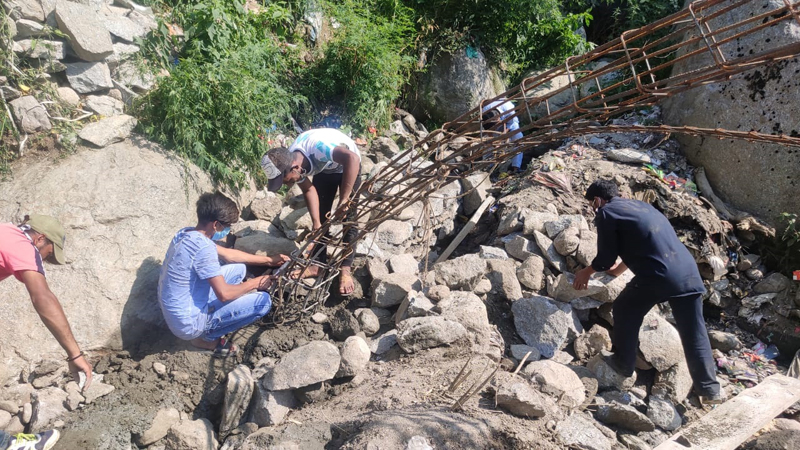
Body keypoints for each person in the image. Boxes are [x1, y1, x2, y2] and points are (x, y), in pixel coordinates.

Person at [572, 179, 725, 404]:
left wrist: (586, 272)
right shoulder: (643, 207)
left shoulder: (606, 212)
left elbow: (604, 259)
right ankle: (710, 390)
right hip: (688, 272)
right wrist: (621, 269)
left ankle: (624, 363)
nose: (594, 209)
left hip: (658, 275)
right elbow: (644, 241)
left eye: (592, 204)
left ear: (597, 200)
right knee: (694, 331)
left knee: (625, 307)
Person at [0, 214, 93, 450]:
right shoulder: (23, 245)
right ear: (40, 239)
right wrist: (75, 355)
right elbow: (43, 297)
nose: (44, 260)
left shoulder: (5, 231)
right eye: (48, 253)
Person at [157, 193, 289, 356]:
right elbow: (224, 295)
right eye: (226, 226)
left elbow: (228, 255)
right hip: (189, 324)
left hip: (176, 310)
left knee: (239, 269)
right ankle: (205, 338)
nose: (227, 230)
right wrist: (255, 283)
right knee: (263, 302)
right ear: (216, 225)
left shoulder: (186, 234)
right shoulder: (204, 249)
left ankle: (215, 315)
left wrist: (269, 260)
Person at [261, 128, 362, 296]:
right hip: (326, 168)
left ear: (295, 168)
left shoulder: (320, 149)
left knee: (349, 217)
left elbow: (352, 158)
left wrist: (344, 200)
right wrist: (316, 223)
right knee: (322, 215)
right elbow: (309, 191)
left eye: (284, 180)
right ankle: (317, 265)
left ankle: (345, 268)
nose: (286, 185)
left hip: (348, 165)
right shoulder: (293, 161)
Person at [481, 99, 524, 173]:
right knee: (491, 144)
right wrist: (494, 140)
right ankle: (488, 166)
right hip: (497, 124)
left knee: (519, 140)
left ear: (498, 119)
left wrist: (503, 135)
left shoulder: (509, 108)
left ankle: (516, 168)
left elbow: (510, 124)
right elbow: (488, 129)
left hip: (511, 124)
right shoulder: (485, 111)